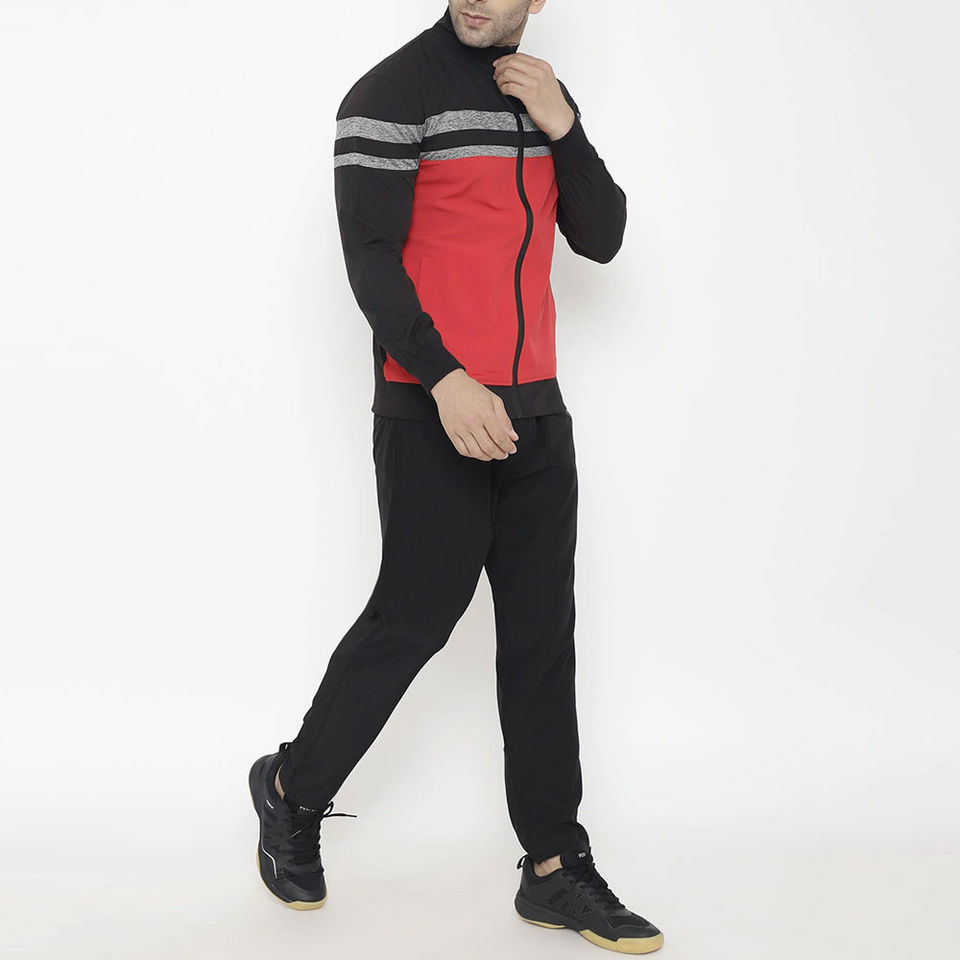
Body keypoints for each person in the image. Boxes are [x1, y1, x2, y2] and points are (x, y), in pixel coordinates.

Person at [249, 2, 663, 953]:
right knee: (412, 621)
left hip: (536, 411)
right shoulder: (390, 94)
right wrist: (443, 379)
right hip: (433, 406)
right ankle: (290, 791)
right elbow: (370, 260)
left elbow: (602, 236)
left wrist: (565, 126)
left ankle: (554, 868)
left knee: (540, 640)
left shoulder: (541, 94)